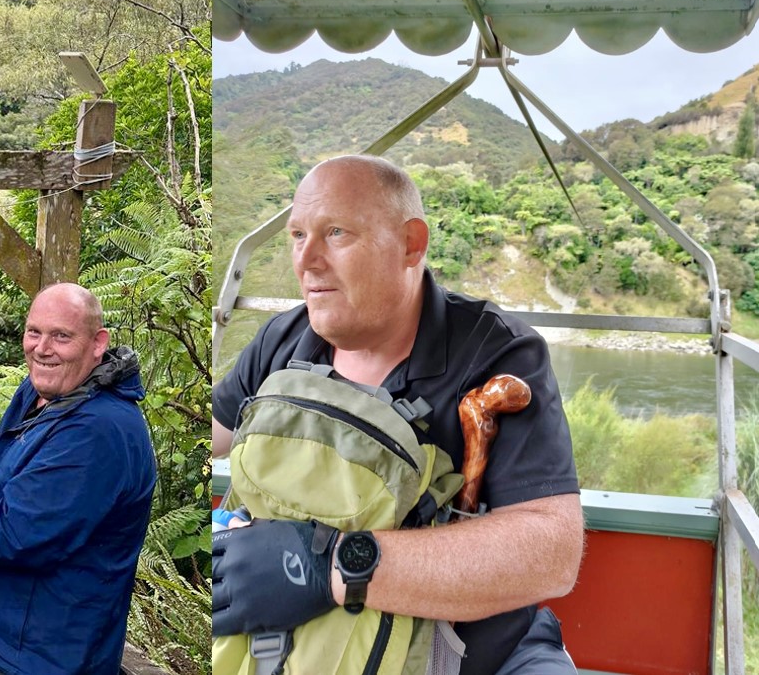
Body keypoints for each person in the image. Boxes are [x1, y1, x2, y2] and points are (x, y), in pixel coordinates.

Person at [212, 155, 585, 674]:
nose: (307, 260)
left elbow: (551, 552)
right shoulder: (283, 339)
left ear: (411, 244)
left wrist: (333, 566)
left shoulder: (497, 354)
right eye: (298, 235)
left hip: (473, 656)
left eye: (336, 233)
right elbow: (208, 439)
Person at [0, 282, 157, 675]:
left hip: (47, 656)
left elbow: (10, 535)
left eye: (61, 336)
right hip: (11, 638)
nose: (42, 348)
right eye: (34, 332)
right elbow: (15, 448)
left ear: (98, 343)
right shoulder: (49, 390)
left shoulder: (97, 432)